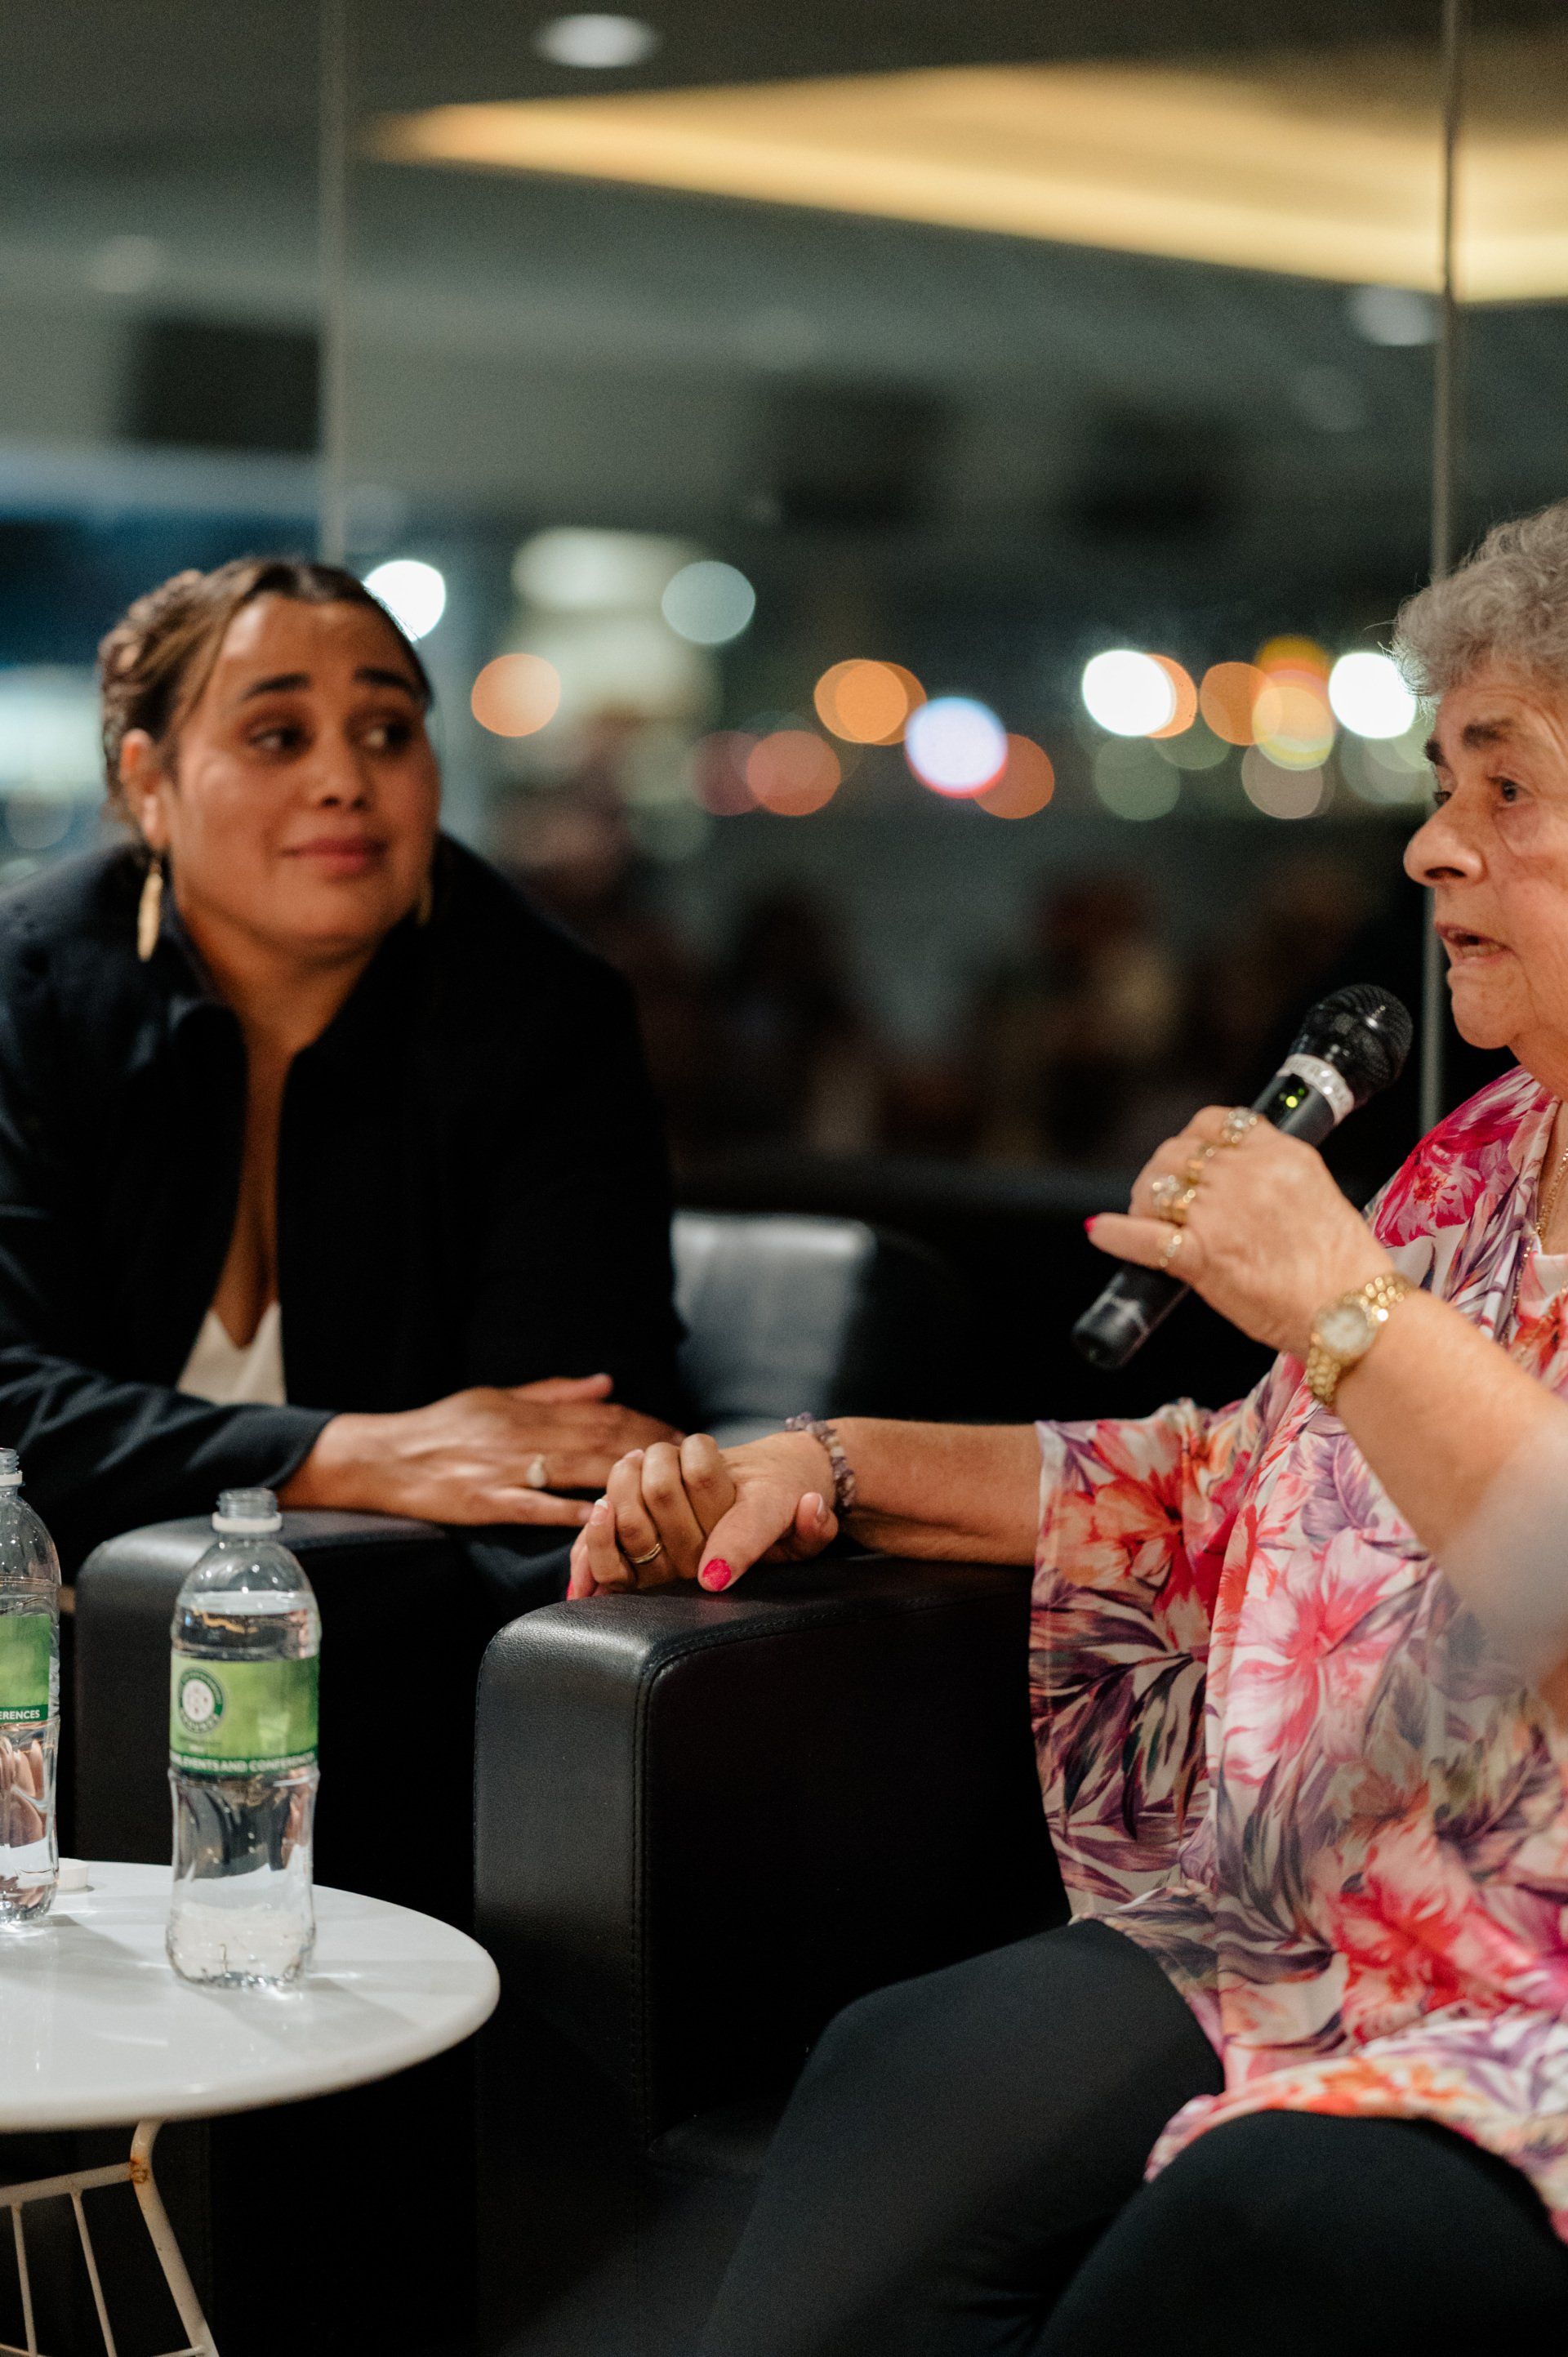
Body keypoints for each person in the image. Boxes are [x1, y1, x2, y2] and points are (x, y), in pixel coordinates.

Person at [570, 500, 1568, 2351]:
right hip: (1318, 1920)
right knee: (904, 2073)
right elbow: (1225, 1483)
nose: (1432, 844)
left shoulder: (1386, 1262)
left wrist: (1345, 1302)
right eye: (1443, 784)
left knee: (1261, 2233)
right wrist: (832, 1463)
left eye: (1506, 788)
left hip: (1536, 1999)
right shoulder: (1482, 1161)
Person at [0, 556, 683, 1577]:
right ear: (149, 784)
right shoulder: (30, 987)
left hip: (402, 1618)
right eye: (278, 736)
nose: (345, 782)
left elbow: (568, 1438)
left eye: (389, 733)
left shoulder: (547, 1013)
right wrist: (344, 1455)